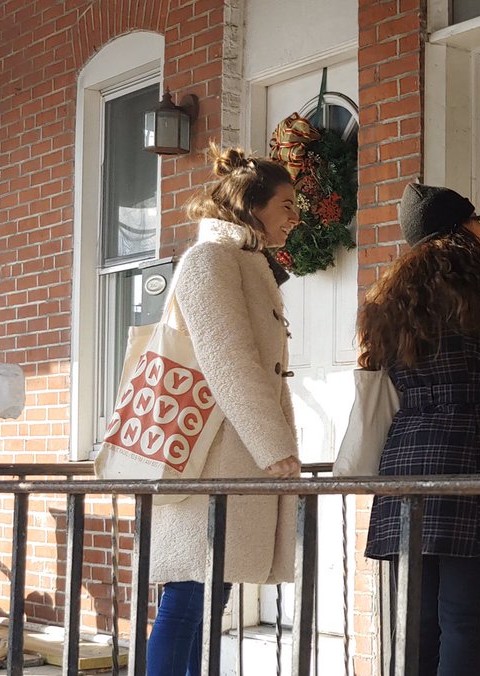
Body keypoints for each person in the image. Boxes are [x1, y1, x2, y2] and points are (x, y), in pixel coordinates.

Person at [360, 183, 480, 676]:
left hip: (404, 469)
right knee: (465, 622)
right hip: (473, 466)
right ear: (459, 229)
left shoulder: (388, 303)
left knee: (417, 626)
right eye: (473, 222)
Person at [145, 144, 303, 675]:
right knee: (190, 598)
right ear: (252, 204)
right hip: (208, 458)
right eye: (287, 205)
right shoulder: (210, 260)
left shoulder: (244, 261)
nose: (295, 217)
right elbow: (226, 358)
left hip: (231, 459)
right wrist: (274, 446)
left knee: (209, 600)